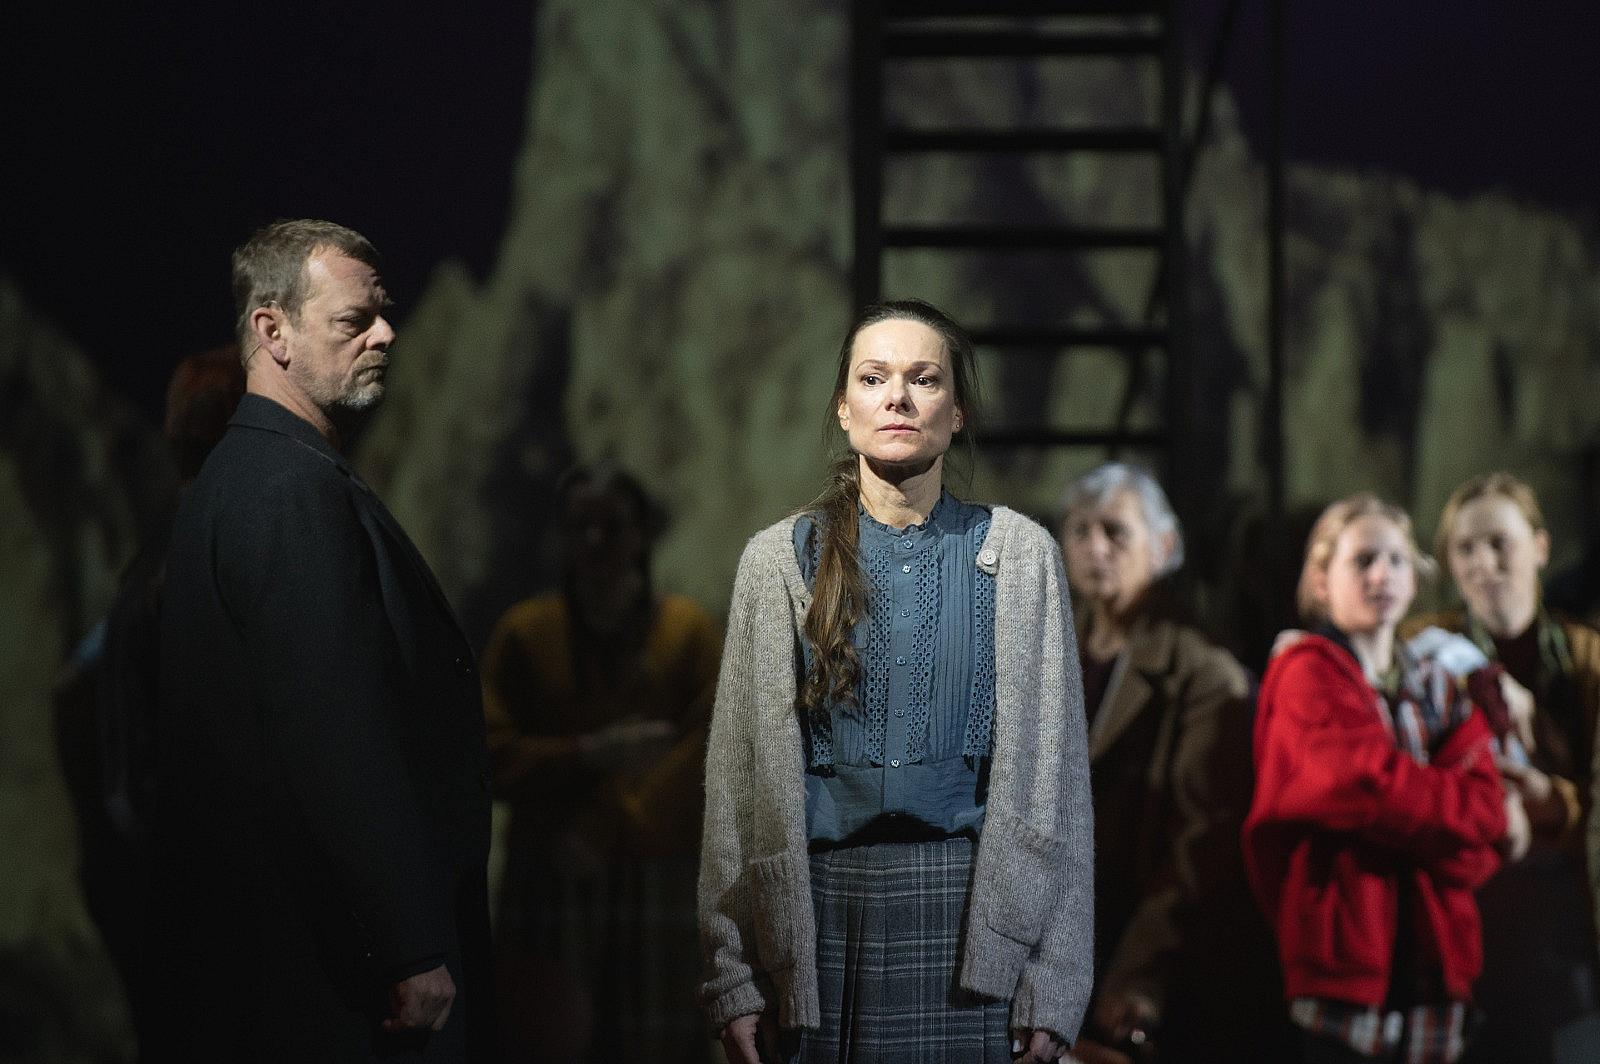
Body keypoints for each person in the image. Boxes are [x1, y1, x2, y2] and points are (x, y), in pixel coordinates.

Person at [697, 299, 1094, 1064]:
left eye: (925, 379)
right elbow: (738, 789)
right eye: (874, 378)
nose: (899, 398)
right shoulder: (780, 562)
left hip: (973, 931)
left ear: (957, 412)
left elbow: (1059, 789)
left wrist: (1056, 980)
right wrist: (733, 975)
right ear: (844, 409)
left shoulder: (1017, 556)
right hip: (816, 926)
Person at [148, 219, 493, 1062]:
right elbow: (335, 730)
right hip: (340, 983)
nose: (387, 334)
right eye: (353, 320)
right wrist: (410, 944)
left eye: (384, 313)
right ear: (272, 330)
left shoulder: (255, 478)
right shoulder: (286, 492)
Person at [1243, 493, 1520, 1064]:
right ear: (1321, 580)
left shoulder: (1439, 684)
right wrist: (1463, 818)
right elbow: (1361, 786)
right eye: (1363, 560)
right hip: (1343, 981)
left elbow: (1485, 825)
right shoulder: (1305, 672)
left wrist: (1447, 821)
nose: (1382, 575)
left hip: (1436, 981)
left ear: (1414, 579)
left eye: (1397, 560)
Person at [481, 465, 721, 1063]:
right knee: (544, 1041)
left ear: (640, 535)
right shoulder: (526, 635)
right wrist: (589, 754)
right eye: (579, 526)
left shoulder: (685, 634)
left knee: (653, 1046)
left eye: (611, 525)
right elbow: (488, 751)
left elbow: (712, 750)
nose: (595, 541)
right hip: (553, 872)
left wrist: (609, 825)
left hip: (655, 876)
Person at [51, 344, 244, 1051]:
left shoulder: (160, 568)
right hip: (209, 914)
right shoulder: (206, 572)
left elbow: (74, 692)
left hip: (157, 901)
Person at [1059, 463, 1285, 1063]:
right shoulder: (1045, 654)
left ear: (1164, 545)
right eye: (1079, 531)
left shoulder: (1206, 676)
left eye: (1115, 531)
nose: (1095, 548)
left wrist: (1140, 975)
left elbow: (1202, 846)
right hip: (1060, 958)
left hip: (1150, 975)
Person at [1404, 472, 1600, 1064]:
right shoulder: (1417, 648)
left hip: (1567, 931)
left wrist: (1557, 800)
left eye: (1499, 544)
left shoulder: (1589, 660)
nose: (1484, 564)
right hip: (1461, 919)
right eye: (1465, 549)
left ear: (1540, 548)